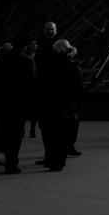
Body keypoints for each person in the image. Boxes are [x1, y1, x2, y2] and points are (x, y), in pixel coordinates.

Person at [35, 39, 81, 171]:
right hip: (68, 105)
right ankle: (60, 161)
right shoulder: (74, 65)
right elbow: (79, 88)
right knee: (63, 135)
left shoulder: (48, 64)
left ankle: (51, 159)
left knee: (51, 135)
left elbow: (43, 85)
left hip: (51, 104)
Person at [0, 38, 36, 174]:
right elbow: (32, 83)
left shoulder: (2, 59)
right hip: (20, 104)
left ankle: (8, 160)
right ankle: (12, 162)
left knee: (6, 132)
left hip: (4, 102)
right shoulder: (27, 61)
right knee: (17, 134)